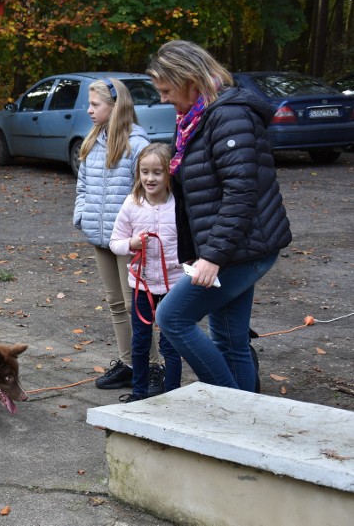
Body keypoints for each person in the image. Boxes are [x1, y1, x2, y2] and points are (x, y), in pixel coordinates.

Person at [146, 40, 291, 391]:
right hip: (232, 247)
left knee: (172, 317)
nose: (163, 99)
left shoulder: (228, 115)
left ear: (189, 79)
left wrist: (212, 257)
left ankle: (227, 405)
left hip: (242, 249)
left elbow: (241, 192)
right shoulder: (195, 119)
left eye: (166, 90)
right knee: (229, 339)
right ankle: (246, 418)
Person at [73, 77, 164, 392]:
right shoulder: (91, 141)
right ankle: (128, 363)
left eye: (95, 104)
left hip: (129, 242)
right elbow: (83, 185)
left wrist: (138, 234)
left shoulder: (137, 144)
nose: (89, 110)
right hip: (100, 237)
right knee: (114, 302)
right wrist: (82, 217)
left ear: (116, 107)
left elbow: (148, 190)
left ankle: (152, 366)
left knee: (134, 304)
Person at [109, 142, 183, 402]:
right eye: (145, 172)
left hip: (175, 284)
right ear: (138, 173)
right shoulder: (131, 204)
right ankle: (139, 392)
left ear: (169, 173)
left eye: (157, 172)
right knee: (140, 341)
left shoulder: (179, 205)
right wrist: (131, 244)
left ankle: (172, 393)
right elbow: (114, 242)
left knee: (171, 343)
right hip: (142, 285)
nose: (150, 178)